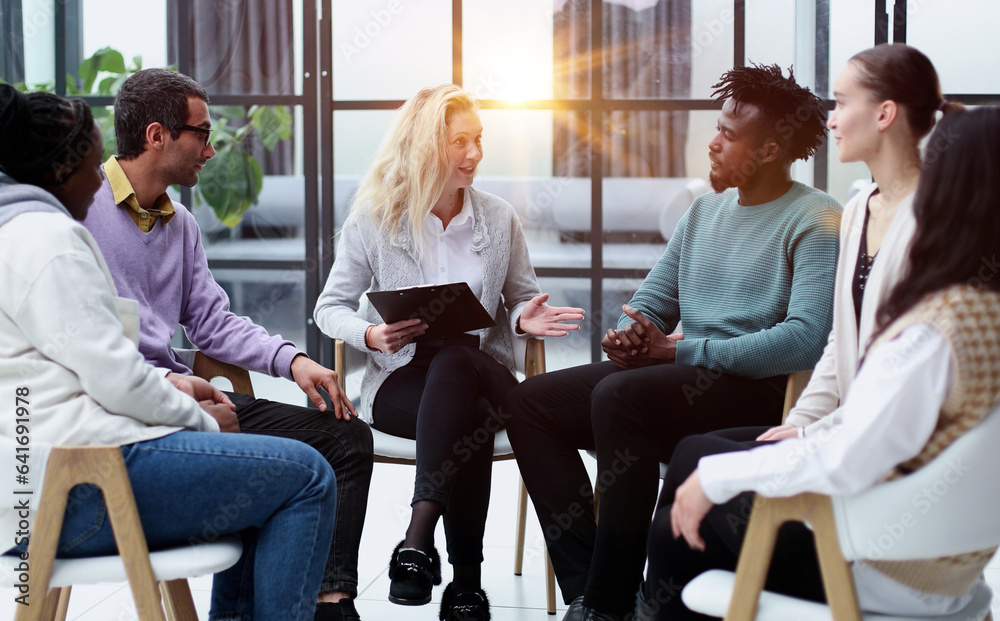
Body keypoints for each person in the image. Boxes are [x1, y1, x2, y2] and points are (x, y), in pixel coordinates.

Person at [504, 63, 843, 621]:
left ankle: (611, 605)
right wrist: (631, 332)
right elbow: (655, 300)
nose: (711, 143)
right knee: (530, 403)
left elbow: (806, 341)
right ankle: (590, 589)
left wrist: (677, 352)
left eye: (729, 135)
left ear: (770, 150)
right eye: (717, 128)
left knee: (621, 398)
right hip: (674, 381)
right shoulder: (704, 211)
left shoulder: (816, 217)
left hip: (753, 392)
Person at [0, 85, 337, 621]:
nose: (99, 180)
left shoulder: (20, 234)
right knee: (306, 476)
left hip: (45, 485)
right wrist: (201, 420)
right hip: (79, 487)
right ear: (59, 171)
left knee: (273, 467)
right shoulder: (49, 242)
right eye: (92, 166)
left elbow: (104, 363)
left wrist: (184, 388)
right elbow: (114, 378)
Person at [649, 104, 998, 621]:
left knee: (688, 503)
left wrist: (718, 478)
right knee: (699, 466)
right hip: (951, 564)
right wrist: (806, 430)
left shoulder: (936, 326)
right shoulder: (980, 306)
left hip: (876, 559)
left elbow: (852, 455)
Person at [78, 68, 372, 621]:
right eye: (202, 134)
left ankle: (329, 601)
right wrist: (175, 388)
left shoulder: (180, 223)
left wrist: (294, 360)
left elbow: (211, 322)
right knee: (283, 474)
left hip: (194, 399)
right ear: (157, 135)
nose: (211, 151)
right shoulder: (79, 212)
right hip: (134, 411)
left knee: (346, 436)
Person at [313, 84, 584, 621]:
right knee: (470, 406)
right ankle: (468, 585)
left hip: (483, 370)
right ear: (421, 146)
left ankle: (417, 540)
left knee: (461, 363)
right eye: (460, 141)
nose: (475, 154)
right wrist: (370, 336)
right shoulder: (375, 218)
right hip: (401, 382)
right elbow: (330, 307)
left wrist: (523, 315)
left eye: (478, 140)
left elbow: (522, 296)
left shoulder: (499, 217)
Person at [745, 43, 958, 445]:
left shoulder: (935, 220)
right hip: (842, 428)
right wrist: (800, 422)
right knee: (697, 454)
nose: (831, 122)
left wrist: (813, 432)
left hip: (886, 439)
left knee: (699, 459)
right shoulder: (858, 208)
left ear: (884, 114)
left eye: (841, 104)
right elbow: (839, 342)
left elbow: (907, 373)